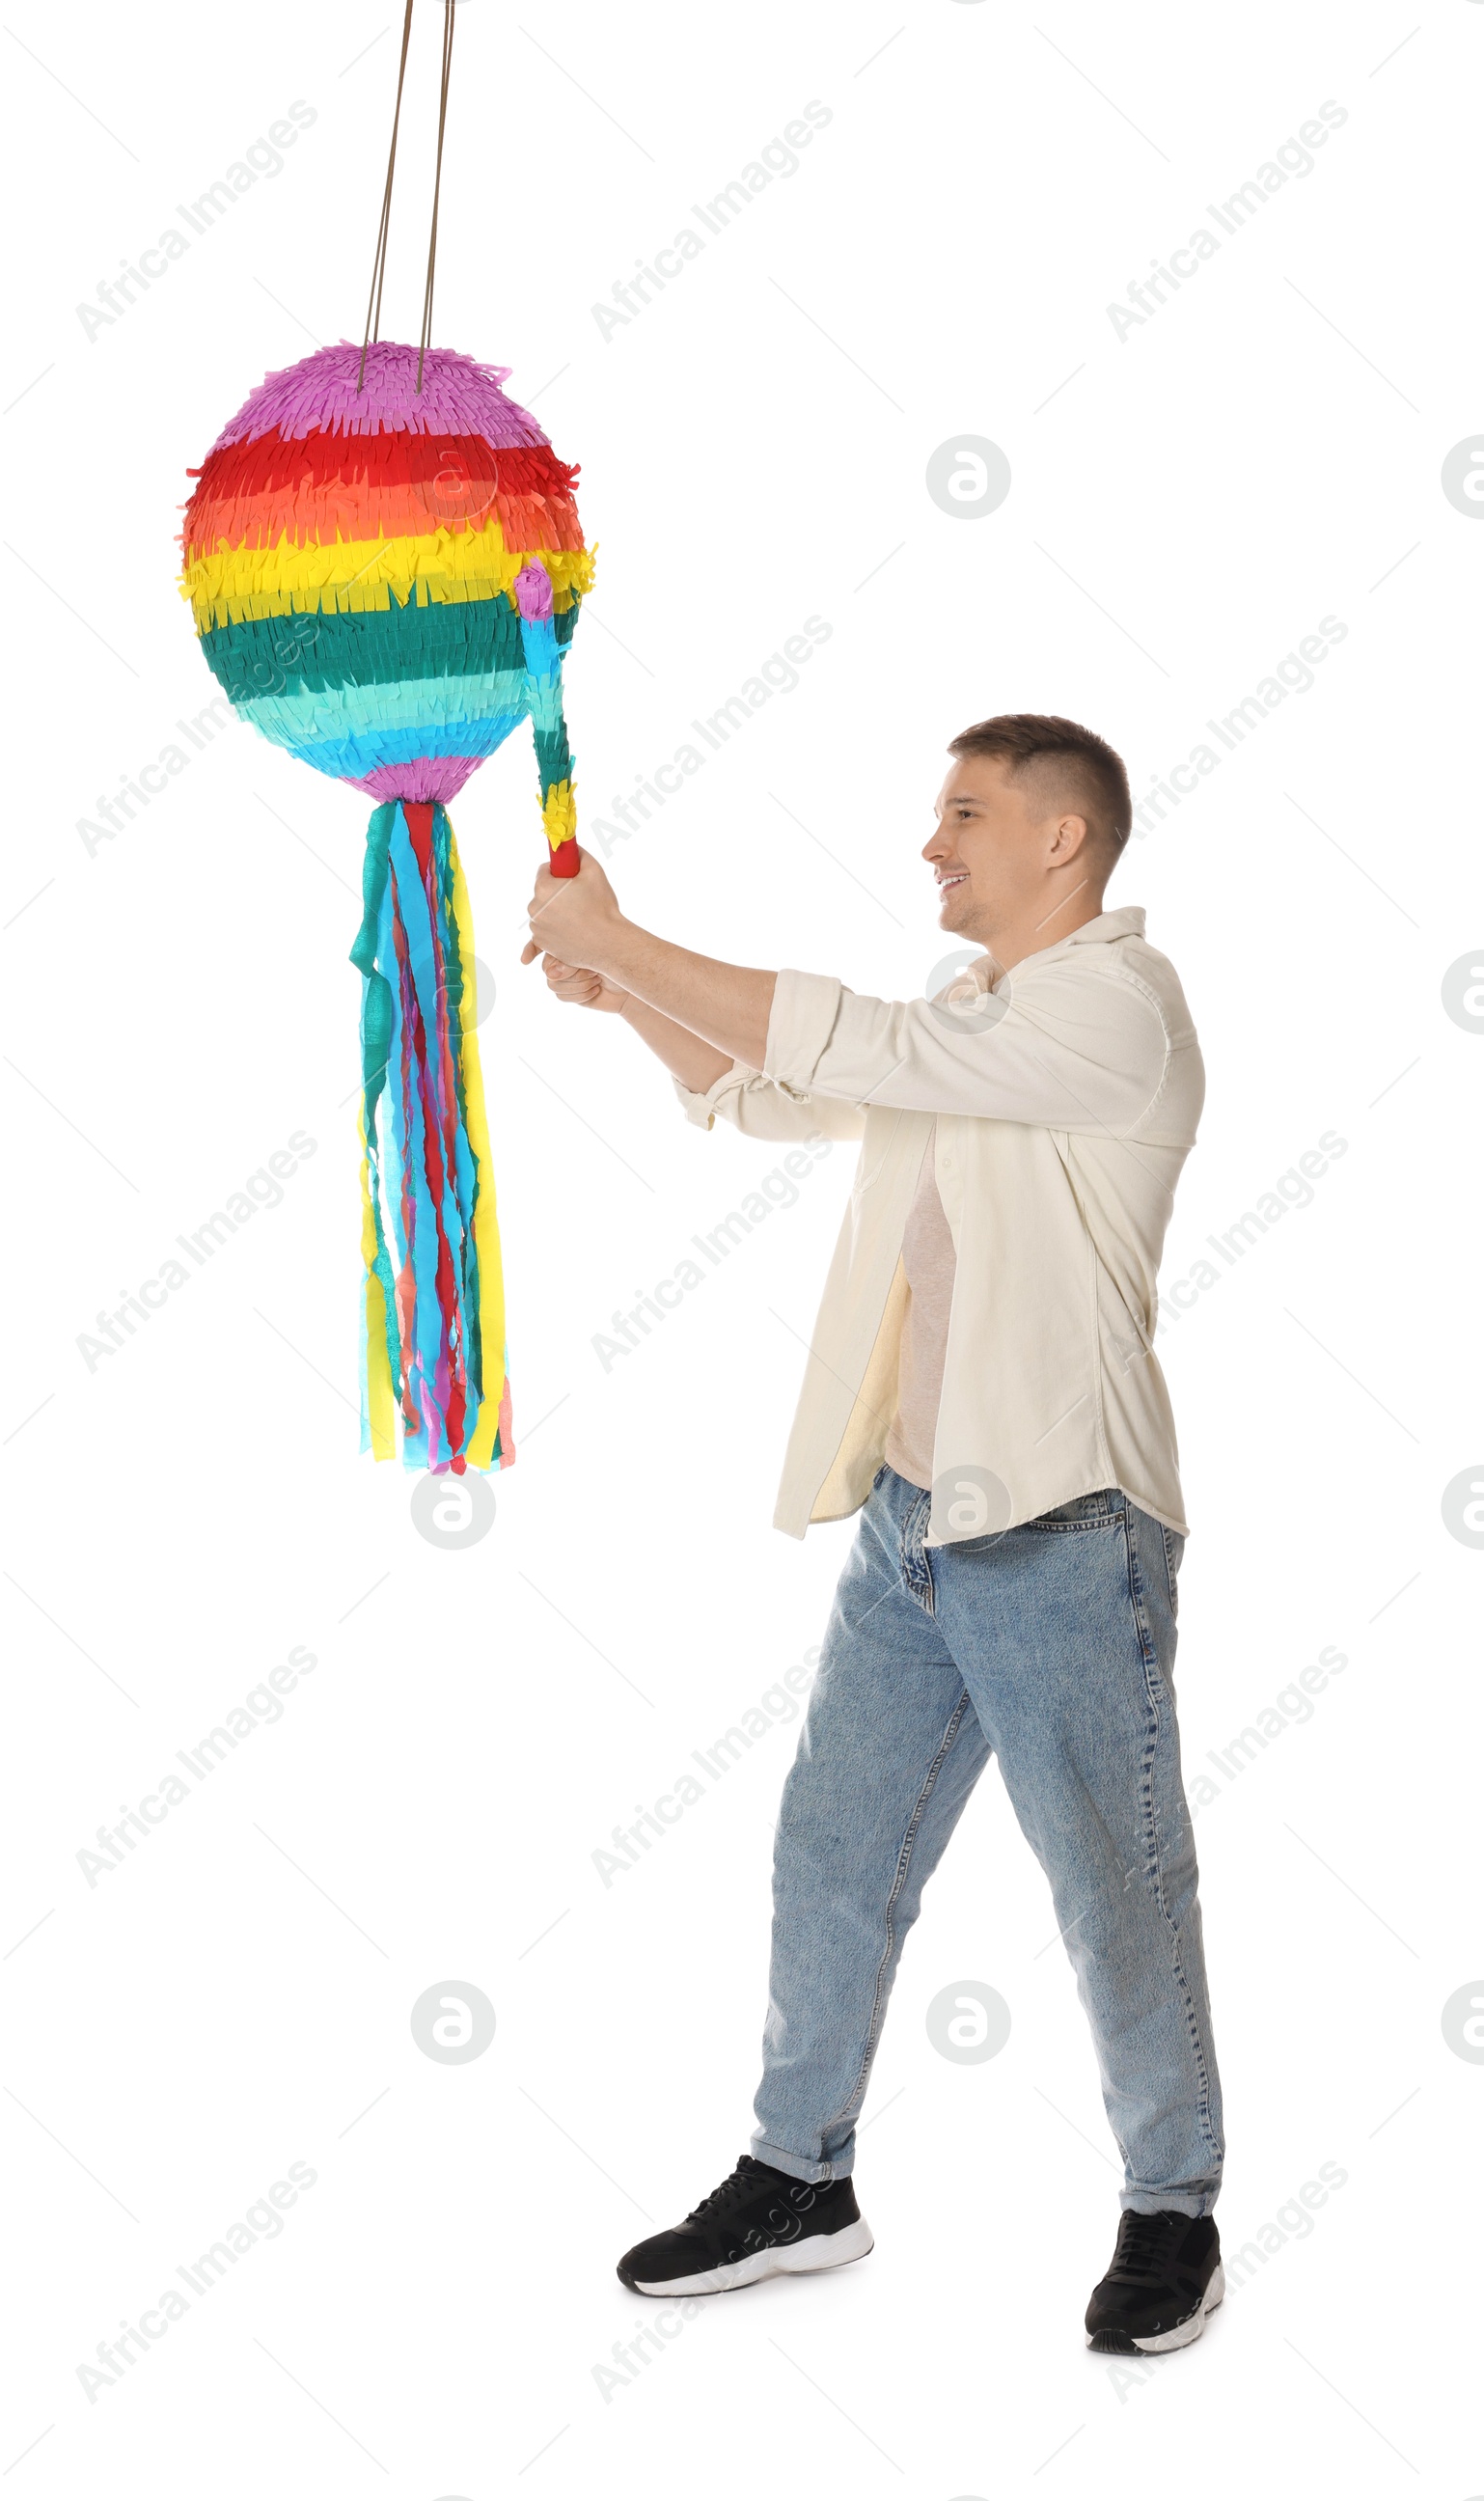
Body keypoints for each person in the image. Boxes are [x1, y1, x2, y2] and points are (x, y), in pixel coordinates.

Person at [521, 713, 1224, 2354]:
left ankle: (1174, 2209)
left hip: (1062, 1531)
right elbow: (780, 1095)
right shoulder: (975, 1017)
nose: (933, 844)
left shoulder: (1119, 1012)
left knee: (1115, 1884)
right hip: (913, 1526)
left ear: (1063, 839)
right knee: (832, 1856)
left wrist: (622, 937)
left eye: (964, 814)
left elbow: (860, 1051)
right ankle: (800, 2176)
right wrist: (626, 996)